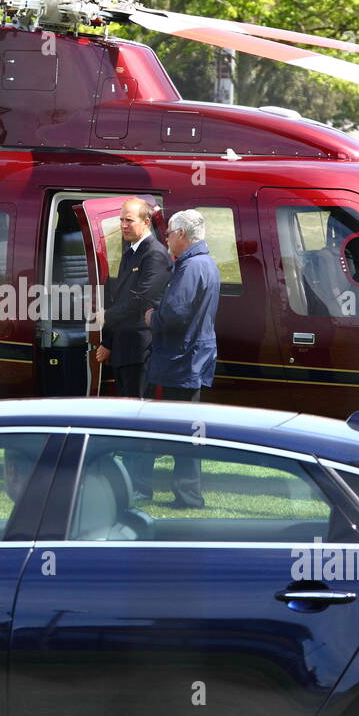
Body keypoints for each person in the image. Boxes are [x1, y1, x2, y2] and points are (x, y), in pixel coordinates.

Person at [94, 196, 171, 498]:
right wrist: (107, 341)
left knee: (140, 419)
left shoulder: (156, 256)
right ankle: (128, 483)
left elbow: (140, 299)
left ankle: (142, 487)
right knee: (127, 418)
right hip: (123, 349)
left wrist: (105, 317)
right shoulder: (130, 252)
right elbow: (118, 297)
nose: (123, 225)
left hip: (142, 350)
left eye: (129, 220)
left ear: (146, 221)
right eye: (121, 219)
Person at [143, 209, 221, 508]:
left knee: (184, 432)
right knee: (187, 431)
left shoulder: (191, 268)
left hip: (182, 359)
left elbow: (175, 314)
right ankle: (187, 494)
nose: (166, 238)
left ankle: (189, 496)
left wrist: (153, 317)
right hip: (191, 358)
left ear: (181, 235)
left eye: (169, 233)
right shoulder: (204, 263)